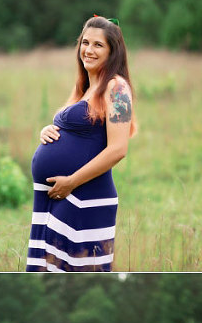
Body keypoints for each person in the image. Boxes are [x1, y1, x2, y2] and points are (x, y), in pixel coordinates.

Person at [26, 16, 137, 272]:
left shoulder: (116, 87)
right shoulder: (86, 86)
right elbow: (72, 126)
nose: (88, 49)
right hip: (60, 197)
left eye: (98, 45)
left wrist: (72, 182)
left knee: (80, 272)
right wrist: (48, 130)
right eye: (85, 42)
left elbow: (118, 149)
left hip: (85, 196)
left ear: (112, 51)